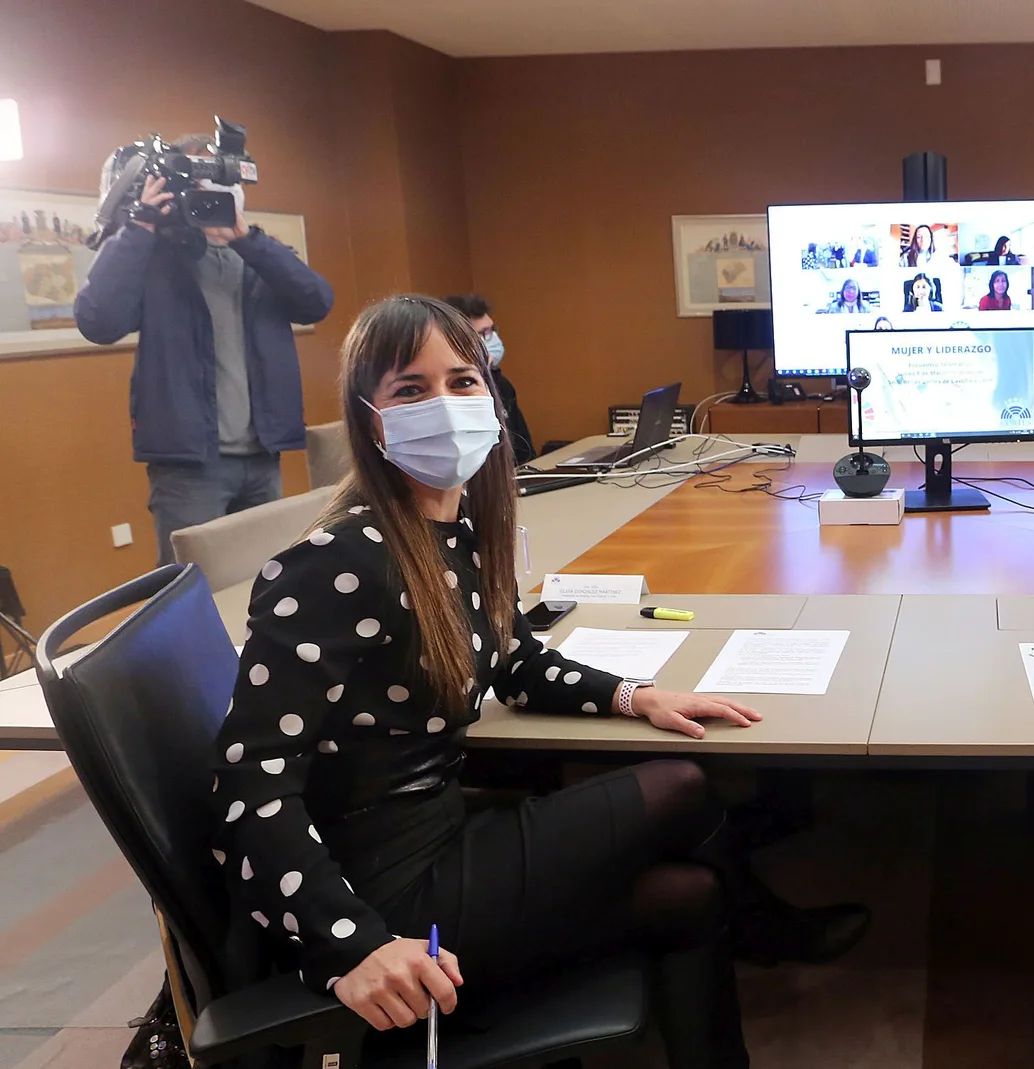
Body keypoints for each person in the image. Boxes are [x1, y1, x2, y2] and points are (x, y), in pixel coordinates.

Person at [209, 296, 867, 1068]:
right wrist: (351, 943)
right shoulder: (339, 561)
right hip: (381, 890)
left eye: (462, 381)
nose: (446, 405)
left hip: (442, 835)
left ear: (491, 393)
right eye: (411, 390)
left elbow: (512, 658)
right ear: (369, 417)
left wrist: (635, 694)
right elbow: (246, 780)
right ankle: (771, 929)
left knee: (690, 896)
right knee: (682, 785)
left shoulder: (456, 531)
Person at [75, 137, 335, 565]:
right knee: (190, 594)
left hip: (263, 456)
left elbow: (316, 301)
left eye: (217, 180)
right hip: (188, 466)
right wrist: (139, 228)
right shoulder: (155, 259)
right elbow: (97, 320)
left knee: (269, 583)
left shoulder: (258, 255)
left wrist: (247, 239)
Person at [441, 294, 535, 467]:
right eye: (483, 333)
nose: (493, 339)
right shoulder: (445, 395)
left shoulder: (501, 384)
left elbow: (524, 453)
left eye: (492, 330)